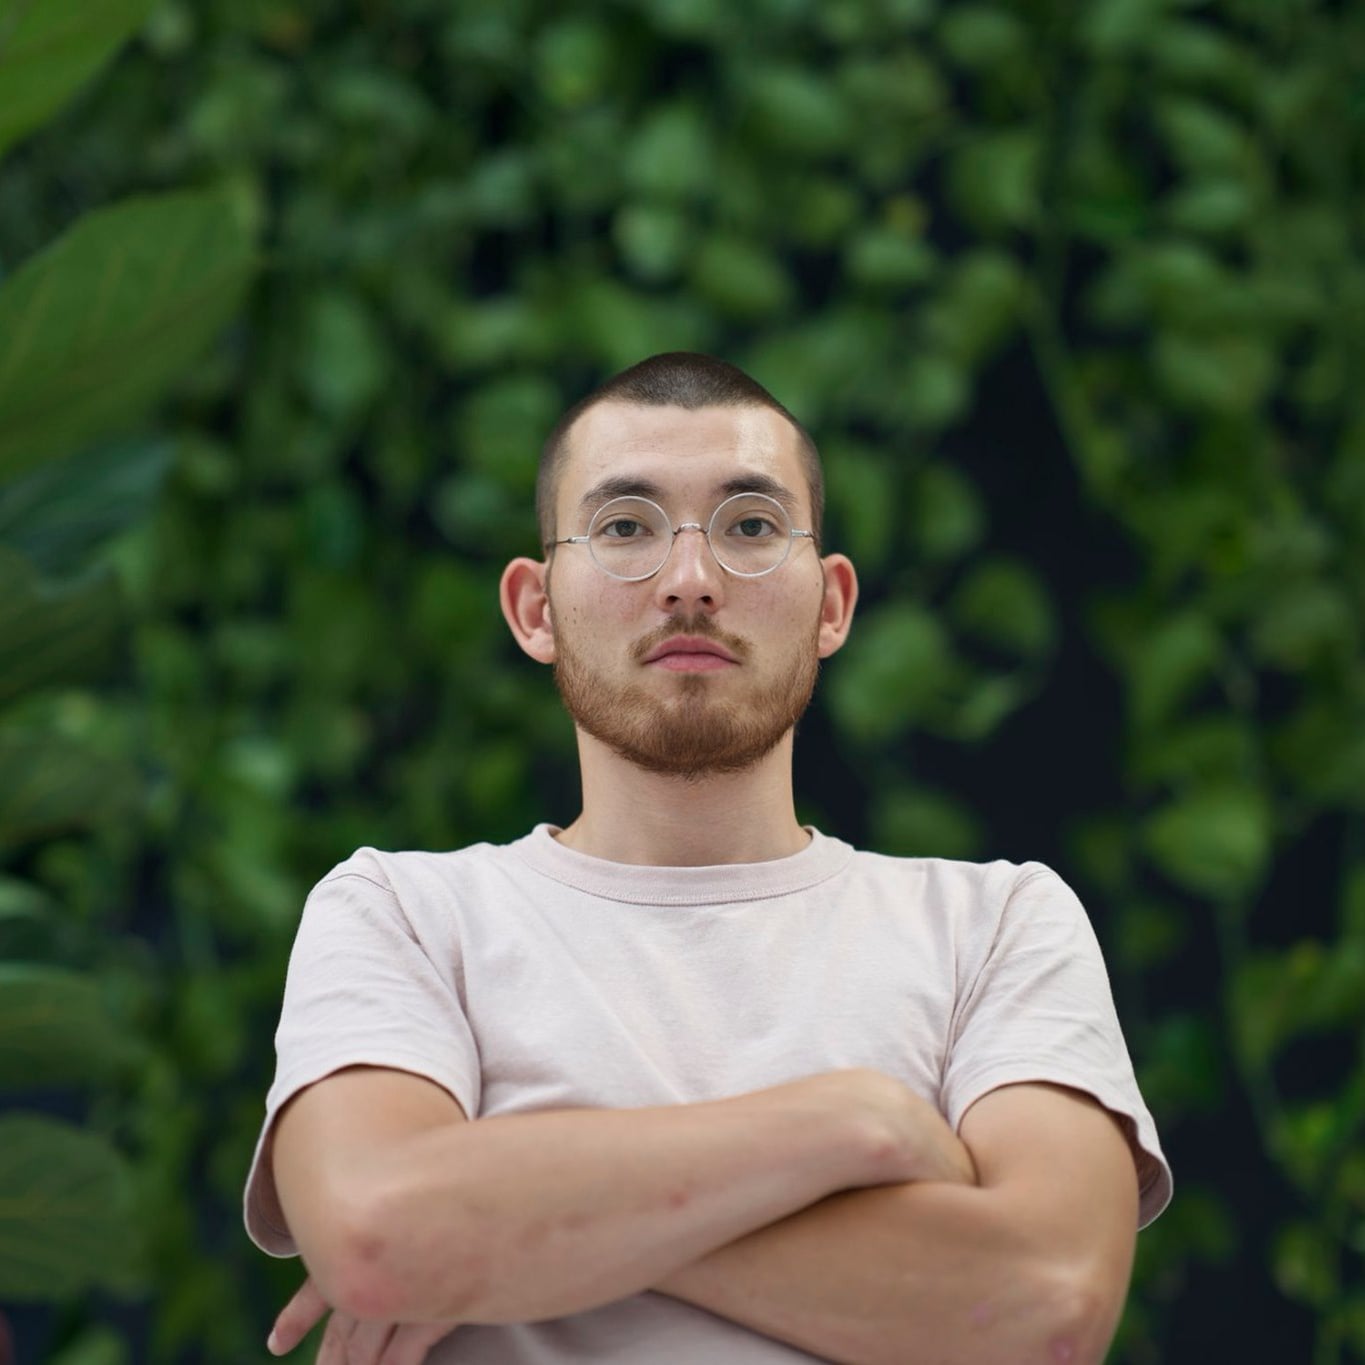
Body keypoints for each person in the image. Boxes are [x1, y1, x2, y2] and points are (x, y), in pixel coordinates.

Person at [244, 352, 1172, 1365]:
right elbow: (378, 1235)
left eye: (752, 528)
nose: (690, 581)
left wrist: (512, 1223)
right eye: (624, 528)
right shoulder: (402, 911)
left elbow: (1046, 1301)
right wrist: (849, 1122)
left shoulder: (997, 925)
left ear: (831, 605)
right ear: (535, 609)